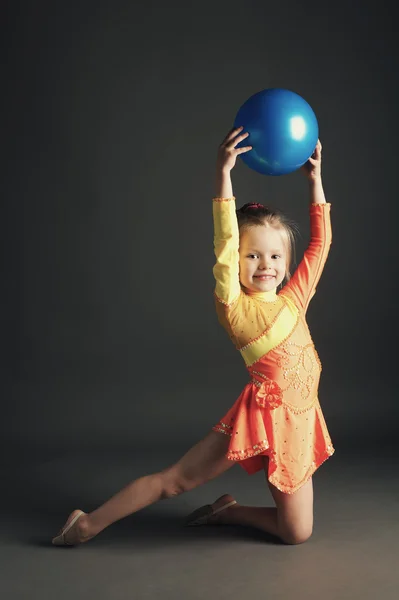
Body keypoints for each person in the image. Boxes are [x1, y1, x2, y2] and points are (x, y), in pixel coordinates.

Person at [52, 126, 334, 547]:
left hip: (298, 420)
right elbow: (224, 241)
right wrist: (225, 173)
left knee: (297, 532)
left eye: (275, 256)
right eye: (252, 255)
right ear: (236, 263)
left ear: (287, 262)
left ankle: (229, 511)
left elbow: (321, 243)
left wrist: (315, 182)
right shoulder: (234, 305)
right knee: (176, 482)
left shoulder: (295, 298)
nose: (265, 265)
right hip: (261, 416)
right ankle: (87, 523)